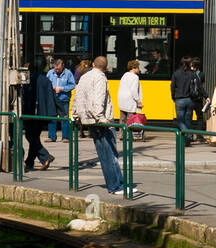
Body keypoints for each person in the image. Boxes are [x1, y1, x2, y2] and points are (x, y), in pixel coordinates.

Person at [72, 56, 128, 196]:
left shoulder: (84, 76)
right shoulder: (101, 78)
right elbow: (99, 100)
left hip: (89, 121)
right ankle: (117, 186)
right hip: (101, 122)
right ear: (106, 67)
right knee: (111, 156)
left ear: (92, 64)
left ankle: (115, 185)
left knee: (104, 156)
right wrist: (102, 119)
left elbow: (77, 96)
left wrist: (74, 115)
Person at [22, 56, 56, 171]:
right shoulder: (46, 79)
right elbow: (52, 97)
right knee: (34, 137)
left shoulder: (29, 79)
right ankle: (30, 162)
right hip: (42, 114)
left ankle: (45, 156)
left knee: (30, 136)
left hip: (31, 113)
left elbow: (25, 98)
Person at [47, 56, 76, 142]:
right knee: (52, 118)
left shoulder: (68, 73)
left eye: (58, 69)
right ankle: (51, 137)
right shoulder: (50, 73)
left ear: (62, 66)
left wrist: (61, 88)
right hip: (52, 99)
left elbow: (72, 85)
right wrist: (50, 88)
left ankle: (65, 137)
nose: (56, 71)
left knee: (65, 118)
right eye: (55, 69)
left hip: (64, 99)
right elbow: (46, 84)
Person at [118, 58, 146, 141]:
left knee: (122, 119)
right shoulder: (135, 77)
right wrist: (138, 101)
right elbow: (134, 90)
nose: (138, 69)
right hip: (130, 100)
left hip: (122, 100)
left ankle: (122, 135)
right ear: (133, 68)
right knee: (131, 119)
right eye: (137, 67)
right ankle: (130, 136)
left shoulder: (125, 75)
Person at [170, 56, 196, 133]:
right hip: (189, 100)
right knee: (188, 121)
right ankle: (188, 138)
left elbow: (172, 87)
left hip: (179, 100)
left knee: (180, 121)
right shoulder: (192, 74)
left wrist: (173, 97)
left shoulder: (176, 73)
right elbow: (198, 85)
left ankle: (188, 135)